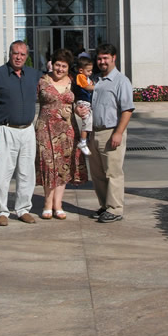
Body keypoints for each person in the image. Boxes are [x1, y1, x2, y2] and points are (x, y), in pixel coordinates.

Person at [0, 40, 41, 226]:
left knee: (26, 173)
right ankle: (1, 211)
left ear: (27, 56)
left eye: (23, 54)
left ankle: (23, 209)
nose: (19, 57)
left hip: (27, 131)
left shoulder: (33, 75)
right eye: (15, 53)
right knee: (3, 172)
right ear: (9, 54)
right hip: (5, 130)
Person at [35, 48, 87, 219]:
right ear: (52, 64)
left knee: (64, 167)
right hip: (46, 130)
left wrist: (80, 111)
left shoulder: (73, 82)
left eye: (64, 66)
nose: (60, 69)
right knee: (49, 166)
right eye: (58, 65)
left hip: (67, 130)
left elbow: (79, 103)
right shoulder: (42, 81)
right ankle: (47, 204)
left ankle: (58, 204)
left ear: (68, 67)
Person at [86, 43, 134, 223]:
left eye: (106, 58)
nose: (102, 61)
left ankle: (115, 209)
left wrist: (118, 133)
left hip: (111, 132)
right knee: (97, 174)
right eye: (99, 58)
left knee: (113, 172)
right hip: (94, 133)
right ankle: (105, 205)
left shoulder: (122, 81)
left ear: (114, 58)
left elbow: (127, 109)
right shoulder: (96, 80)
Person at [73, 55, 94, 156]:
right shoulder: (80, 77)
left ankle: (86, 139)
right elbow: (86, 87)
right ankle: (83, 142)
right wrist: (97, 87)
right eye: (88, 71)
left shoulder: (85, 77)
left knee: (90, 120)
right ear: (81, 70)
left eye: (91, 70)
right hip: (83, 101)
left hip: (87, 102)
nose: (90, 72)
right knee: (87, 121)